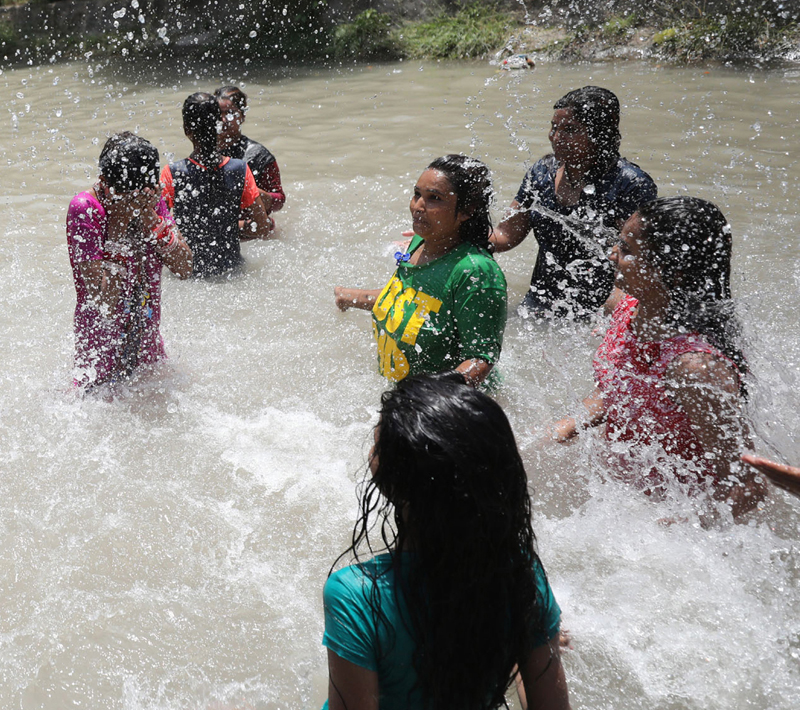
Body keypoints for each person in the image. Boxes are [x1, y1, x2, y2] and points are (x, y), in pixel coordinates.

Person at [322, 373, 570, 710]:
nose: (371, 450)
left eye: (378, 443)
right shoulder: (518, 574)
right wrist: (517, 643)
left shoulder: (356, 594)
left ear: (396, 480)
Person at [549, 196, 766, 518]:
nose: (612, 255)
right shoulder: (624, 305)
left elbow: (748, 485)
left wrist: (672, 526)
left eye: (627, 250)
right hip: (618, 495)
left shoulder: (696, 368)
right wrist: (564, 428)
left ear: (674, 271)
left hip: (675, 519)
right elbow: (619, 388)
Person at [333, 155, 507, 387]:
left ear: (467, 210)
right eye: (417, 194)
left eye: (434, 198)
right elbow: (407, 300)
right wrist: (351, 297)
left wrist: (422, 404)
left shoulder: (476, 271)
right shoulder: (420, 242)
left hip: (449, 411)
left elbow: (480, 360)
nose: (418, 207)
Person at [491, 86, 657, 320]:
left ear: (599, 134)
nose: (556, 137)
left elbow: (639, 260)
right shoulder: (541, 173)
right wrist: (448, 236)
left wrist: (614, 318)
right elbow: (505, 235)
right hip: (538, 304)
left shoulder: (630, 185)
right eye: (554, 127)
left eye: (570, 130)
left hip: (598, 315)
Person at [66, 132, 192, 390]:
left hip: (148, 352)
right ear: (104, 182)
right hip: (99, 356)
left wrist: (151, 221)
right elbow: (105, 304)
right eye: (126, 198)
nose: (135, 203)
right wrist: (118, 229)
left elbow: (185, 268)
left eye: (143, 195)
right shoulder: (85, 209)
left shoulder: (150, 202)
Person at [160, 92, 273, 277]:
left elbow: (156, 229)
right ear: (218, 124)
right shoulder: (240, 169)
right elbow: (262, 228)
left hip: (189, 277)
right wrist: (225, 226)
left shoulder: (171, 173)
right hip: (233, 272)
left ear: (186, 129)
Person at [215, 85, 286, 227]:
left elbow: (279, 200)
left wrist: (253, 193)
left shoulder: (259, 155)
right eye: (218, 114)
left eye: (230, 113)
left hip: (251, 228)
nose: (223, 120)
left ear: (242, 116)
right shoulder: (204, 151)